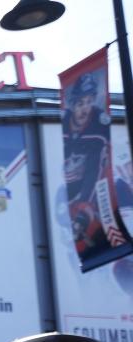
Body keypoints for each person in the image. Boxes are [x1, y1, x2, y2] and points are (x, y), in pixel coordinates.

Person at [61, 72, 111, 258]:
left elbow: (94, 170)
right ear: (72, 104)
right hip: (62, 189)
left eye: (89, 102)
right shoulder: (61, 122)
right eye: (81, 103)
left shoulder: (97, 127)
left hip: (89, 190)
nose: (85, 109)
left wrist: (84, 206)